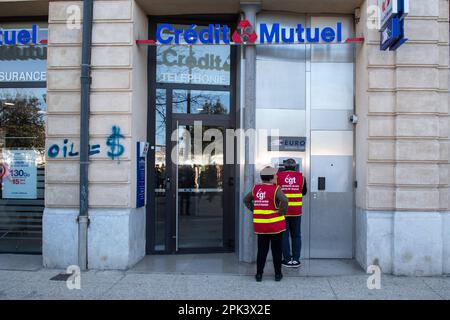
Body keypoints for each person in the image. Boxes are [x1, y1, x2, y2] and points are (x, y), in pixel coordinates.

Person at [243, 166, 289, 282]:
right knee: (276, 251)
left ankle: (259, 275)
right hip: (275, 227)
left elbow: (246, 200)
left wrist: (254, 209)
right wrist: (281, 212)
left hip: (261, 227)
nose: (277, 176)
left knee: (262, 251)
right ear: (271, 177)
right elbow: (285, 200)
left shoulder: (256, 189)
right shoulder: (276, 189)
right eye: (275, 175)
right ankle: (278, 275)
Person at [277, 158, 307, 268]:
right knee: (296, 235)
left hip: (283, 211)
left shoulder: (278, 177)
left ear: (284, 166)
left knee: (284, 236)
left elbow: (275, 192)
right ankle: (296, 260)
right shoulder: (301, 177)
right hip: (296, 211)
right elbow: (303, 192)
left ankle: (287, 259)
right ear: (295, 166)